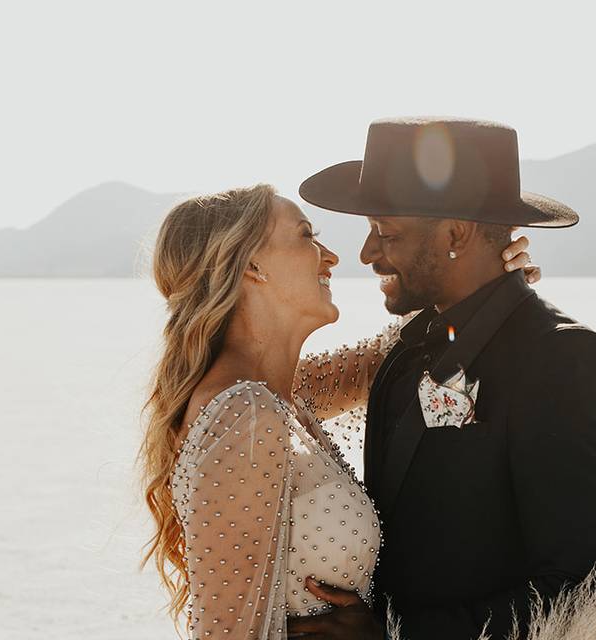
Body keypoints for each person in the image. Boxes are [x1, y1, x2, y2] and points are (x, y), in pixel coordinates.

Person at [137, 184, 538, 639]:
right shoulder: (244, 416)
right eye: (307, 236)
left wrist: (484, 279)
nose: (331, 257)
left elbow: (390, 352)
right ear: (251, 265)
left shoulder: (279, 395)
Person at [289, 117, 596, 640]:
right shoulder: (403, 352)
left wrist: (393, 636)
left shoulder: (562, 358)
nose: (366, 254)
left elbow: (588, 590)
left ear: (456, 233)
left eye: (386, 233)